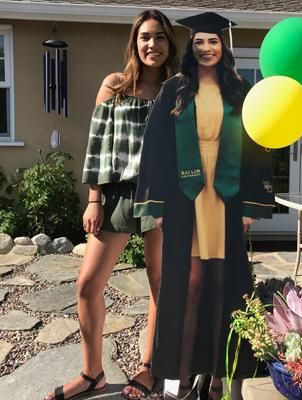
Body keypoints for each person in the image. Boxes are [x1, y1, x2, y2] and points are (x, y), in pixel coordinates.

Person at [134, 11, 274, 400]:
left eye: (214, 41)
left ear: (224, 46)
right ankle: (179, 378)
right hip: (185, 196)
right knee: (189, 285)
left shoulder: (240, 90)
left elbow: (257, 146)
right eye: (199, 42)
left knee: (221, 286)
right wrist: (157, 204)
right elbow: (155, 148)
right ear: (191, 47)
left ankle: (216, 377)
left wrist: (251, 205)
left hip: (226, 197)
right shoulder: (175, 89)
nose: (207, 48)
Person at [44, 9, 179, 400]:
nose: (152, 44)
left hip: (165, 199)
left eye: (160, 37)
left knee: (160, 286)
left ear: (170, 45)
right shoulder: (115, 86)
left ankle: (150, 368)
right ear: (135, 43)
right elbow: (98, 145)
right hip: (119, 194)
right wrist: (94, 198)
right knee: (88, 285)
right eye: (145, 37)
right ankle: (92, 374)